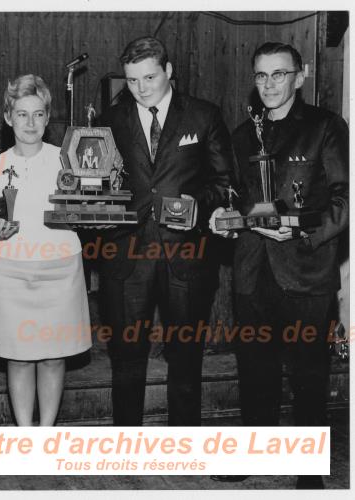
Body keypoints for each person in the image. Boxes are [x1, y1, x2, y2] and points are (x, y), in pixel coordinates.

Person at [209, 42, 348, 489]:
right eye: (262, 76)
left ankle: (310, 467)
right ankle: (255, 451)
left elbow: (345, 202)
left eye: (279, 74)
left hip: (307, 270)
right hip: (252, 268)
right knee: (255, 368)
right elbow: (231, 193)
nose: (269, 84)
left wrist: (301, 230)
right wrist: (223, 218)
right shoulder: (241, 134)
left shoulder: (326, 127)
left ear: (300, 76)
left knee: (309, 372)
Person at [99, 36, 233, 426]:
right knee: (125, 356)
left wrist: (196, 208)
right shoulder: (110, 119)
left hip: (187, 256)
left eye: (149, 77)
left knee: (186, 355)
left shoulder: (204, 116)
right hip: (125, 255)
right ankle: (127, 444)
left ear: (169, 71)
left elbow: (226, 184)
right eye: (132, 80)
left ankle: (183, 441)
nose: (140, 88)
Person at [0, 74, 92, 426]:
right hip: (12, 273)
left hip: (60, 271)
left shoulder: (68, 160)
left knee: (54, 357)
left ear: (47, 117)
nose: (31, 123)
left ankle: (46, 433)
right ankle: (26, 434)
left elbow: (88, 210)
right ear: (8, 117)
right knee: (19, 356)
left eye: (39, 114)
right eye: (22, 114)